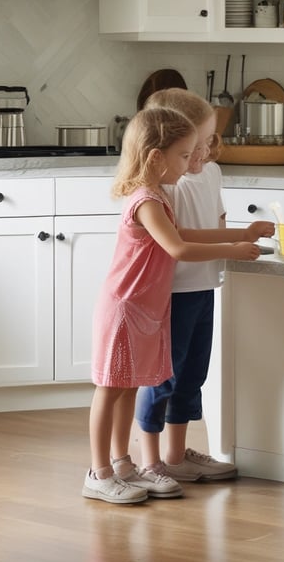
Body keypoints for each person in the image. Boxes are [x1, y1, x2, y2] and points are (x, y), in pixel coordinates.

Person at [83, 106, 272, 505]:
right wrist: (233, 247)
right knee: (110, 389)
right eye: (184, 155)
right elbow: (179, 247)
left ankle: (123, 465)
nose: (191, 163)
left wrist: (242, 231)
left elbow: (183, 232)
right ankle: (98, 473)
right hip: (124, 309)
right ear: (156, 157)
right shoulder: (146, 199)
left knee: (127, 388)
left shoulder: (159, 197)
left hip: (143, 310)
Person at [134, 88, 272, 484]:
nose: (207, 150)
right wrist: (232, 242)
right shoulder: (167, 181)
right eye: (198, 143)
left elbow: (217, 219)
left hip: (204, 286)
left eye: (210, 140)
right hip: (170, 294)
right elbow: (178, 237)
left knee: (192, 376)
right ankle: (150, 461)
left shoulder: (210, 172)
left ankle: (176, 457)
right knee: (162, 377)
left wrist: (238, 236)